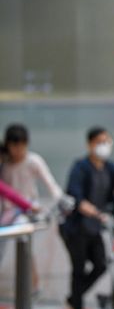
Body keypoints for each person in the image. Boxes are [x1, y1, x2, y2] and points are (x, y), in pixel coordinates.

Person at [61, 127, 114, 309]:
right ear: (90, 144)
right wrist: (97, 213)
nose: (104, 145)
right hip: (76, 227)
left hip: (95, 227)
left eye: (107, 141)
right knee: (79, 270)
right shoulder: (80, 167)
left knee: (101, 264)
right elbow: (76, 198)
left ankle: (74, 297)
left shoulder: (110, 168)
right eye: (100, 141)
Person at [0, 124, 64, 292]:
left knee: (25, 244)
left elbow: (49, 183)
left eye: (21, 145)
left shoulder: (33, 161)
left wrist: (59, 199)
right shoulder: (4, 163)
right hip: (8, 212)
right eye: (14, 146)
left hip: (27, 211)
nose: (18, 150)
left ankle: (32, 285)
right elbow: (7, 192)